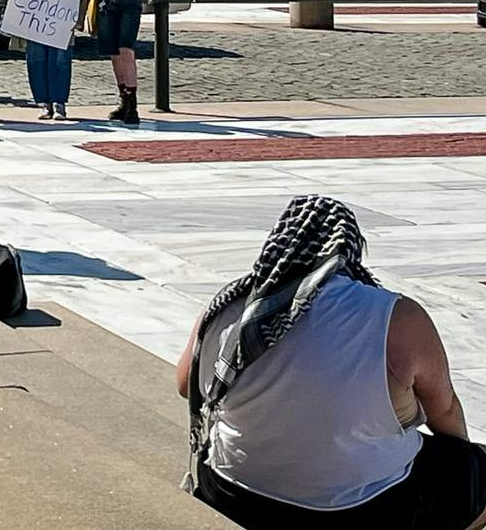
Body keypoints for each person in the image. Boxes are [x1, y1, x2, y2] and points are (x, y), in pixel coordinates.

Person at [178, 195, 486, 527]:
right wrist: (464, 462)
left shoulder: (228, 304)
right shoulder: (396, 316)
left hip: (232, 489)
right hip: (357, 508)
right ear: (349, 250)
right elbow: (445, 410)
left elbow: (186, 384)